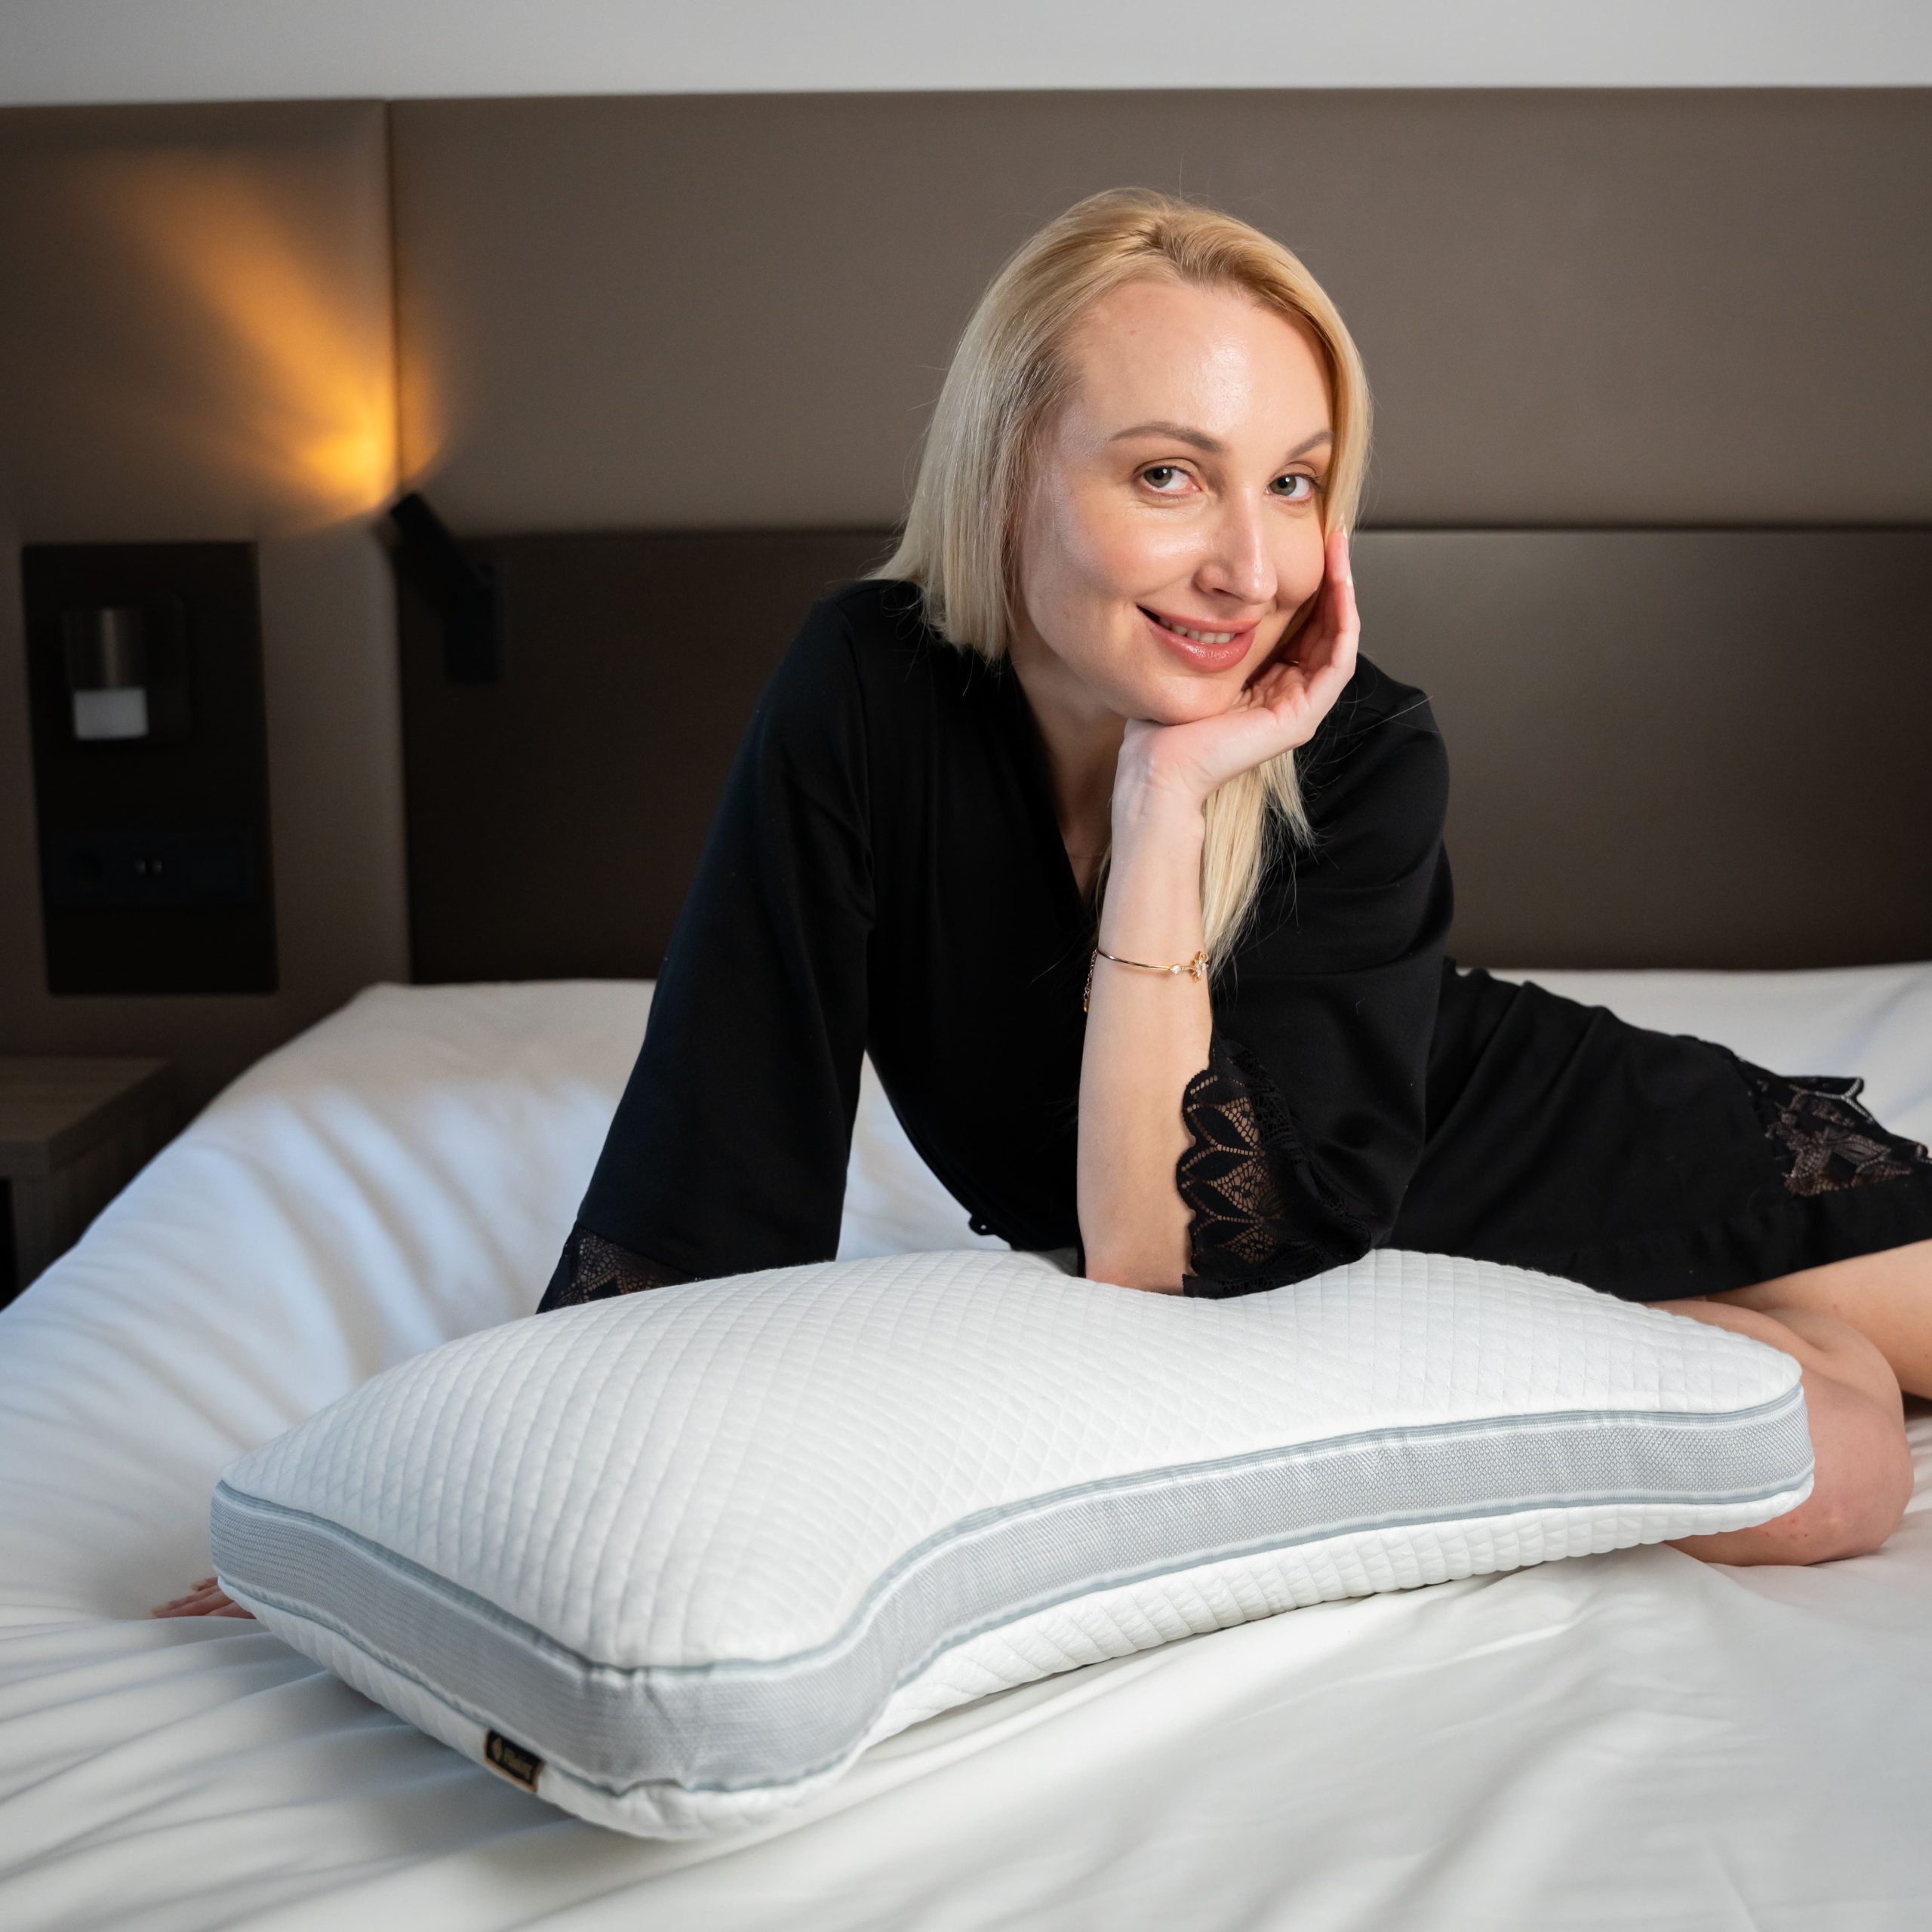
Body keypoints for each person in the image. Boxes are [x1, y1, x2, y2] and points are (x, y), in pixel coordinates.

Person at [157, 188, 1932, 1622]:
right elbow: (730, 1144)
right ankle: (1709, 1345)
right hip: (1383, 1273)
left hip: (1583, 1143)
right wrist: (443, 1505)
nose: (1248, 565)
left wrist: (1181, 783)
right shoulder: (865, 689)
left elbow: (1190, 1229)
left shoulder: (1360, 743)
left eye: (1292, 481)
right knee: (1836, 1467)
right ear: (1007, 467)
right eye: (1167, 473)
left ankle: (1753, 1316)